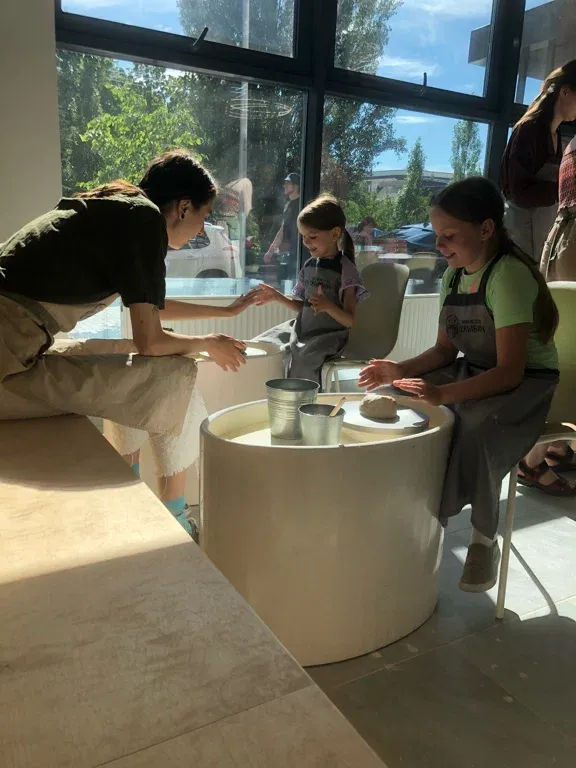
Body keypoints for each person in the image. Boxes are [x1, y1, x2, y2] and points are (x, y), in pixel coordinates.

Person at [0, 149, 256, 536]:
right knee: (172, 374)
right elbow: (150, 339)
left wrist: (226, 314)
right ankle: (174, 518)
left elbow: (150, 305)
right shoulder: (143, 220)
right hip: (9, 359)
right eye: (204, 217)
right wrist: (207, 342)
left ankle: (138, 485)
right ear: (184, 207)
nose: (202, 230)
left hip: (17, 345)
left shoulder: (123, 209)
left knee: (139, 358)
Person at [359, 177, 560, 593]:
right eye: (437, 235)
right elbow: (443, 352)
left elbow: (510, 372)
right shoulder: (452, 278)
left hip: (526, 382)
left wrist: (444, 394)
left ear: (486, 229)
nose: (438, 245)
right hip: (475, 368)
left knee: (474, 427)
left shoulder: (508, 275)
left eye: (449, 235)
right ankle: (401, 510)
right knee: (397, 398)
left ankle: (483, 540)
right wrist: (398, 370)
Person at [252, 195, 368, 386]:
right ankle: (269, 394)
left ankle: (303, 399)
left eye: (312, 236)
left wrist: (328, 306)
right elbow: (305, 309)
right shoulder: (309, 266)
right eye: (303, 236)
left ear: (334, 234)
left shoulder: (346, 270)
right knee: (265, 345)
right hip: (302, 329)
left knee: (304, 360)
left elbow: (350, 320)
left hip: (328, 336)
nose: (306, 242)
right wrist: (277, 296)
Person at [501, 59, 576, 262]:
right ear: (565, 91)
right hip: (522, 231)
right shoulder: (529, 129)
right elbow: (519, 191)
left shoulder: (555, 135)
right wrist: (563, 189)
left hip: (539, 229)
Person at [263, 173, 301, 282]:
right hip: (288, 254)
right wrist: (270, 251)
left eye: (288, 183)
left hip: (299, 254)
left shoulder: (302, 205)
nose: (284, 185)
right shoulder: (287, 206)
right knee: (282, 281)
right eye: (284, 183)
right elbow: (282, 230)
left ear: (296, 186)